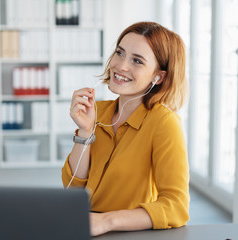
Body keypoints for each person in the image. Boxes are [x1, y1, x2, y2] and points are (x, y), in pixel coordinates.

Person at [61, 21, 190, 237]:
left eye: (137, 61)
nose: (121, 66)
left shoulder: (164, 124)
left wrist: (106, 221)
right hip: (86, 227)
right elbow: (73, 189)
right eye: (119, 53)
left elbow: (176, 206)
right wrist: (84, 132)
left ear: (159, 77)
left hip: (129, 232)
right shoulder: (97, 112)